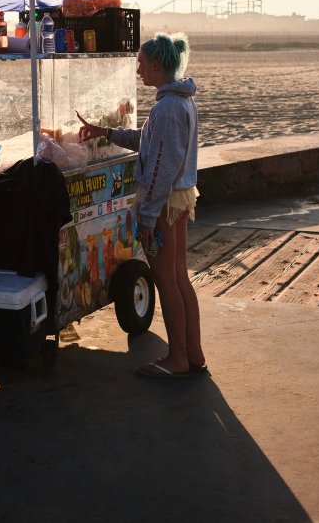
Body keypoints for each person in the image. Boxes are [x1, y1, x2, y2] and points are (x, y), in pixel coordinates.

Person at [77, 32, 205, 379]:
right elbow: (148, 142)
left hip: (163, 204)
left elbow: (161, 168)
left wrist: (147, 218)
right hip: (179, 198)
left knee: (165, 279)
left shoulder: (167, 108)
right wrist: (105, 131)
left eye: (141, 64)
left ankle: (176, 358)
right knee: (179, 278)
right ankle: (193, 354)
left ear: (157, 64)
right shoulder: (180, 102)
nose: (137, 71)